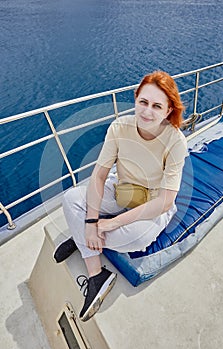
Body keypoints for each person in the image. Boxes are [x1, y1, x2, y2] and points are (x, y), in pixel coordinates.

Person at [54, 70, 188, 322]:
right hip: (123, 191)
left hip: (152, 205)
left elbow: (166, 201)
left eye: (157, 106)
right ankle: (97, 274)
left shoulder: (175, 141)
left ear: (168, 110)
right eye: (143, 102)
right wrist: (92, 223)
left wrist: (109, 223)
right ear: (135, 99)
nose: (147, 112)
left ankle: (81, 236)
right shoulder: (120, 127)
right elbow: (99, 176)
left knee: (135, 238)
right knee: (71, 198)